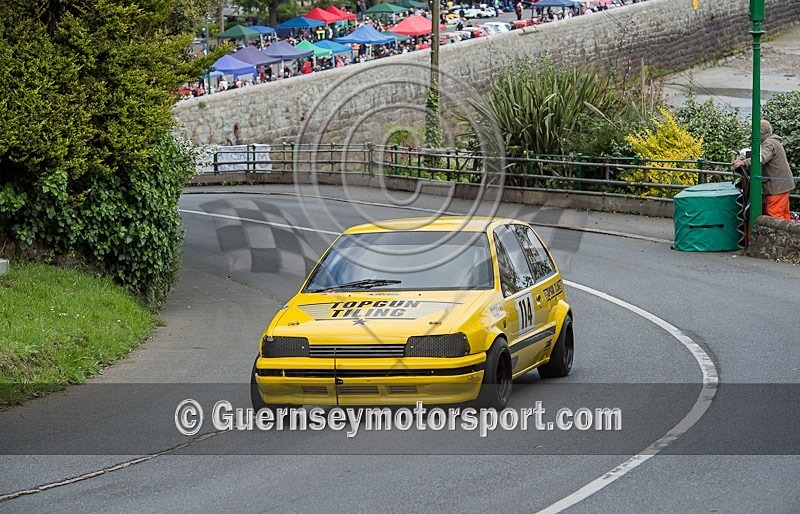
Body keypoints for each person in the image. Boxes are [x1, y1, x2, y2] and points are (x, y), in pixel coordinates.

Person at [733, 120, 795, 221]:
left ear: (760, 133)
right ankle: (787, 236)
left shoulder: (769, 143)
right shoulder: (775, 141)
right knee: (784, 214)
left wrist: (744, 162)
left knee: (774, 215)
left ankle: (777, 236)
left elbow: (762, 158)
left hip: (776, 187)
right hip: (784, 184)